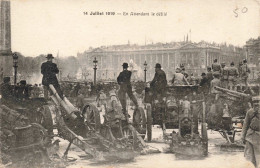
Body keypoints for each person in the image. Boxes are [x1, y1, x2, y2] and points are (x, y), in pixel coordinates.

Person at [242, 97, 260, 168]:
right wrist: (243, 136)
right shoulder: (249, 112)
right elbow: (245, 124)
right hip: (250, 136)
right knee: (249, 157)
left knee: (258, 157)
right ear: (252, 103)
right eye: (255, 102)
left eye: (258, 101)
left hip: (259, 137)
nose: (257, 103)